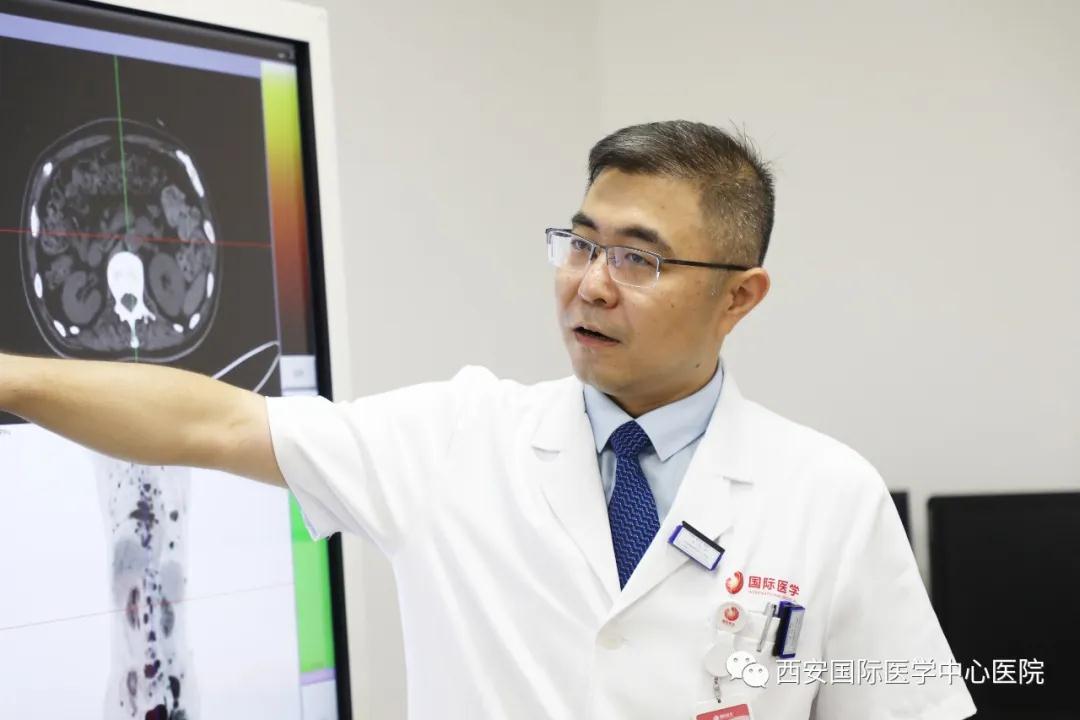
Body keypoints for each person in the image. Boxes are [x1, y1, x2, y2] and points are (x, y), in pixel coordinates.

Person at [0, 121, 976, 719]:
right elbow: (211, 425)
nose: (590, 284)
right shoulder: (455, 439)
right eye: (578, 244)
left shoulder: (827, 495)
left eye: (637, 259)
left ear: (740, 296)